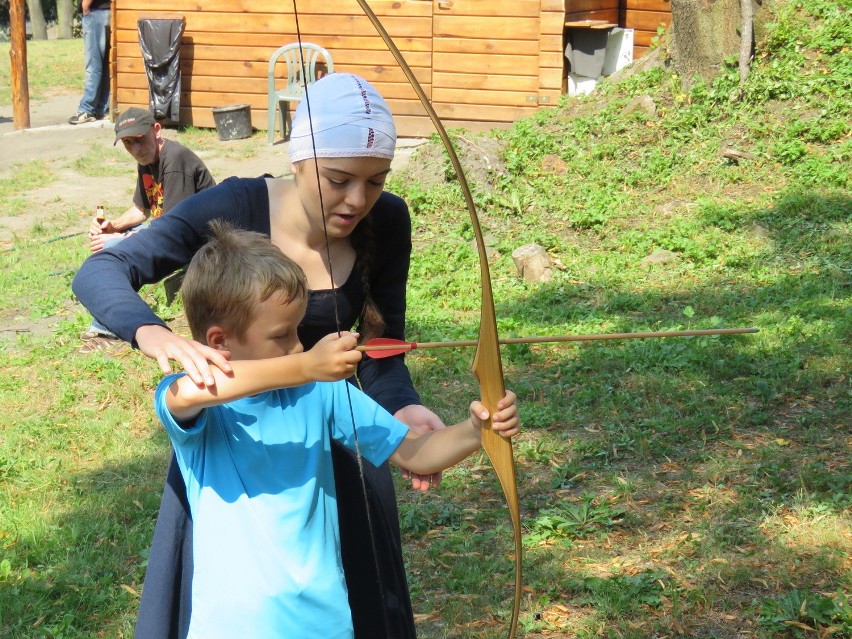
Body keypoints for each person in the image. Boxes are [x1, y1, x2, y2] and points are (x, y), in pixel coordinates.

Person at [71, 72, 485, 638]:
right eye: (338, 179)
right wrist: (156, 335)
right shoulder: (233, 207)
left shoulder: (386, 220)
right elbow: (104, 269)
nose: (358, 200)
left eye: (375, 181)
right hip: (241, 465)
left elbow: (380, 347)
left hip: (337, 439)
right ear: (298, 160)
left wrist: (403, 408)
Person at [154, 222, 519, 638]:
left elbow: (416, 452)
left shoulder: (320, 393)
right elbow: (183, 393)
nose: (297, 345)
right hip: (234, 625)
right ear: (219, 342)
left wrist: (478, 429)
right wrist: (305, 366)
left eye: (297, 331)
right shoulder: (205, 410)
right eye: (281, 335)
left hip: (323, 623)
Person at [80, 107, 216, 351]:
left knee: (114, 251)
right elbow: (141, 210)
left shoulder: (175, 160)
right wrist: (114, 226)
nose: (135, 150)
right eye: (128, 144)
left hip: (202, 240)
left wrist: (125, 238)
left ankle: (108, 326)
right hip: (176, 232)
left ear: (156, 130)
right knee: (112, 244)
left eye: (139, 141)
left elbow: (173, 227)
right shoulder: (147, 159)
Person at [68, 0, 112, 125]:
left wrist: (86, 4)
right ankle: (103, 108)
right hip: (109, 10)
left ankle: (86, 109)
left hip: (96, 11)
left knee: (93, 63)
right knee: (106, 64)